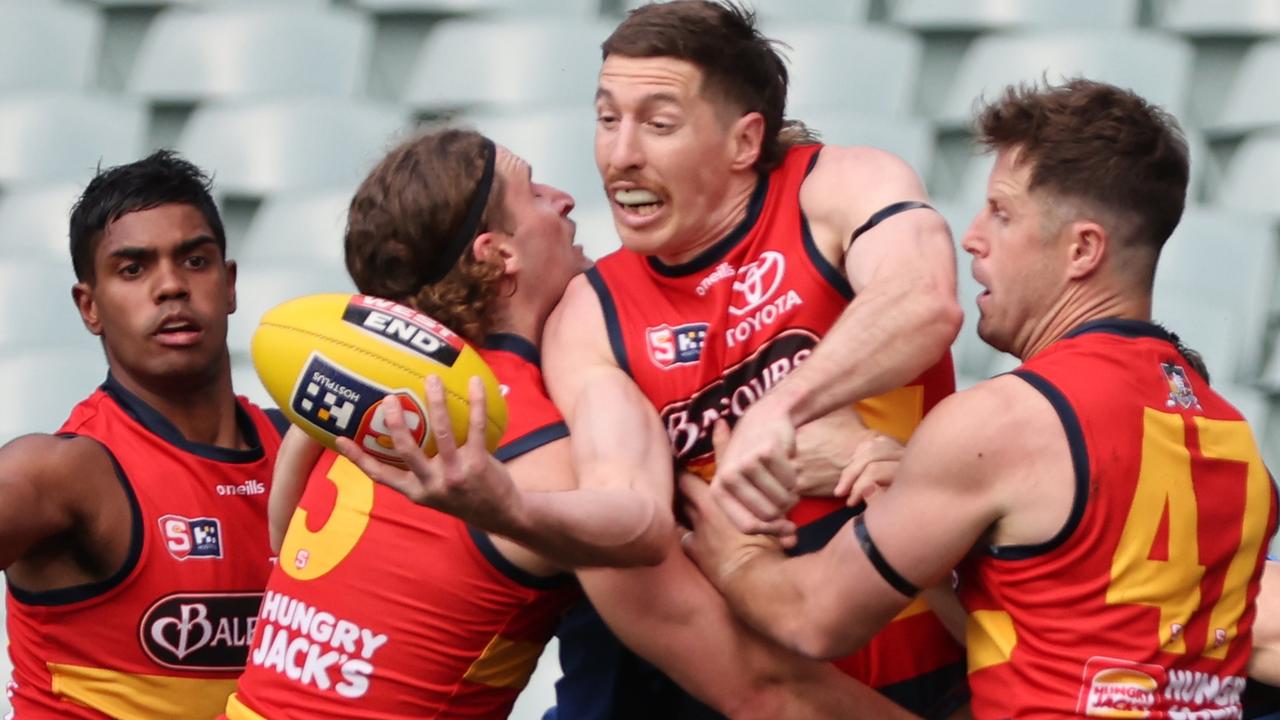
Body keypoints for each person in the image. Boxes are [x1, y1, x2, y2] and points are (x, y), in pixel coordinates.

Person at [223, 128, 910, 719]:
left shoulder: (351, 396)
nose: (565, 198)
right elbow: (761, 691)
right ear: (498, 256)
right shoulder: (544, 457)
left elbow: (285, 541)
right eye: (534, 191)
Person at [682, 78, 1279, 718]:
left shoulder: (1004, 422)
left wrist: (737, 555)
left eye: (1001, 212)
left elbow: (813, 617)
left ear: (1082, 249)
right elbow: (1082, 635)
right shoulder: (1232, 435)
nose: (971, 236)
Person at [534, 1, 967, 715]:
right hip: (771, 692)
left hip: (935, 671)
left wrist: (778, 414)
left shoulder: (836, 187)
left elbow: (925, 300)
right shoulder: (592, 312)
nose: (621, 155)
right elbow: (629, 515)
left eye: (659, 123)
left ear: (744, 141)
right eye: (608, 118)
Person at [0, 151, 284, 718]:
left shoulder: (303, 453)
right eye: (134, 269)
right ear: (90, 307)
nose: (171, 287)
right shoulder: (61, 474)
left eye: (195, 261)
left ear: (229, 286)